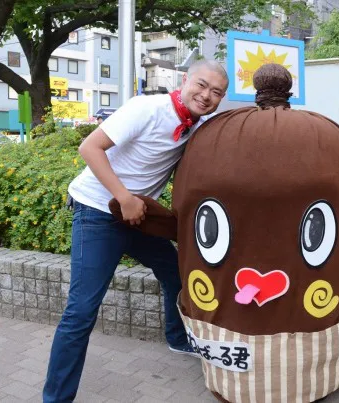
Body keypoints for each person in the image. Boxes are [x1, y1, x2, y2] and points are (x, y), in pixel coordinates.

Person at [43, 60, 229, 403]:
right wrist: (123, 197)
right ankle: (56, 399)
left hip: (138, 217)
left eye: (216, 92)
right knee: (81, 311)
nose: (206, 96)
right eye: (201, 85)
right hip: (97, 213)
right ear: (185, 80)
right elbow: (89, 148)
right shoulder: (148, 108)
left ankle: (177, 338)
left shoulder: (196, 124)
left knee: (176, 272)